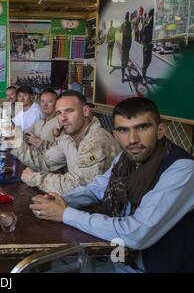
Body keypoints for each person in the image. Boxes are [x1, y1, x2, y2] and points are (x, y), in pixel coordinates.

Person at [30, 97, 194, 272]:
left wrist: (65, 214)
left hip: (148, 266)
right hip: (118, 255)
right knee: (50, 265)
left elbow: (137, 233)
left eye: (142, 127)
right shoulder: (126, 158)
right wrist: (60, 200)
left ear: (160, 131)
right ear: (116, 135)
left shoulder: (182, 169)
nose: (132, 139)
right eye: (123, 130)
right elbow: (97, 189)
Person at [9, 90, 121, 195]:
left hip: (102, 211)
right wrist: (14, 138)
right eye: (59, 113)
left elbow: (80, 186)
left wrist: (34, 178)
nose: (63, 118)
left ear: (85, 111)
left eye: (69, 111)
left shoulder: (96, 141)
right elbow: (43, 162)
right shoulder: (68, 137)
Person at [142, 9, 154, 81]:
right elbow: (143, 31)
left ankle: (144, 70)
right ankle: (143, 74)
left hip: (149, 43)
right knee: (146, 60)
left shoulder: (151, 21)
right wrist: (146, 41)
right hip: (146, 44)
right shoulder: (147, 21)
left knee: (149, 60)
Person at [121, 12, 132, 82]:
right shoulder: (129, 25)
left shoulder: (123, 24)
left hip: (124, 45)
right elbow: (130, 37)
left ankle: (122, 76)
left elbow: (120, 33)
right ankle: (124, 71)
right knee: (126, 60)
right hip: (127, 46)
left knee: (123, 60)